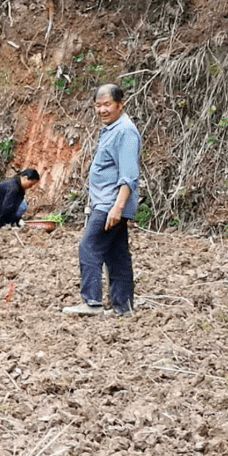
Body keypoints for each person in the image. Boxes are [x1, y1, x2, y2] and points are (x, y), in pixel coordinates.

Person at [63, 84, 141, 316]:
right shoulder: (112, 129)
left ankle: (91, 301)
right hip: (106, 203)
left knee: (88, 247)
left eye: (107, 105)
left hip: (110, 204)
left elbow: (129, 175)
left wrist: (117, 207)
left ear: (120, 104)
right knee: (116, 255)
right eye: (98, 106)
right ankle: (123, 307)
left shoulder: (125, 131)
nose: (102, 110)